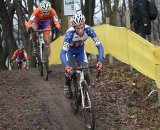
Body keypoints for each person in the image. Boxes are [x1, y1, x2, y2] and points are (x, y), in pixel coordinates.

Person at [60, 14, 104, 98]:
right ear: (74, 28)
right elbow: (62, 53)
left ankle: (86, 91)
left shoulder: (89, 30)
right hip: (69, 51)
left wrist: (100, 61)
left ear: (84, 25)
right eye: (77, 28)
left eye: (81, 27)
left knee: (85, 71)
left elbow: (100, 47)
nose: (80, 31)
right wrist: (67, 67)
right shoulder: (70, 34)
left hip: (80, 51)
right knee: (70, 71)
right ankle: (67, 85)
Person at [26, 0, 61, 71]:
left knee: (47, 42)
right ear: (41, 9)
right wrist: (29, 27)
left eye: (47, 11)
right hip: (36, 23)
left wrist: (57, 27)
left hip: (46, 25)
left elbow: (57, 22)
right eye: (44, 12)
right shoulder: (36, 11)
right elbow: (29, 22)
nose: (46, 13)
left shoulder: (52, 11)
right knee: (34, 30)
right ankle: (35, 46)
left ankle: (47, 61)